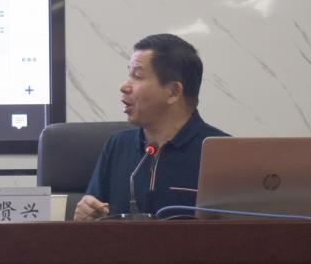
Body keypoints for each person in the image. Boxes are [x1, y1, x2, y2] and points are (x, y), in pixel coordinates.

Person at [74, 33, 227, 221]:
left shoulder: (221, 151)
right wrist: (85, 217)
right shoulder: (117, 145)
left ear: (173, 92)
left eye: (137, 76)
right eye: (129, 75)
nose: (124, 86)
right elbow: (93, 217)